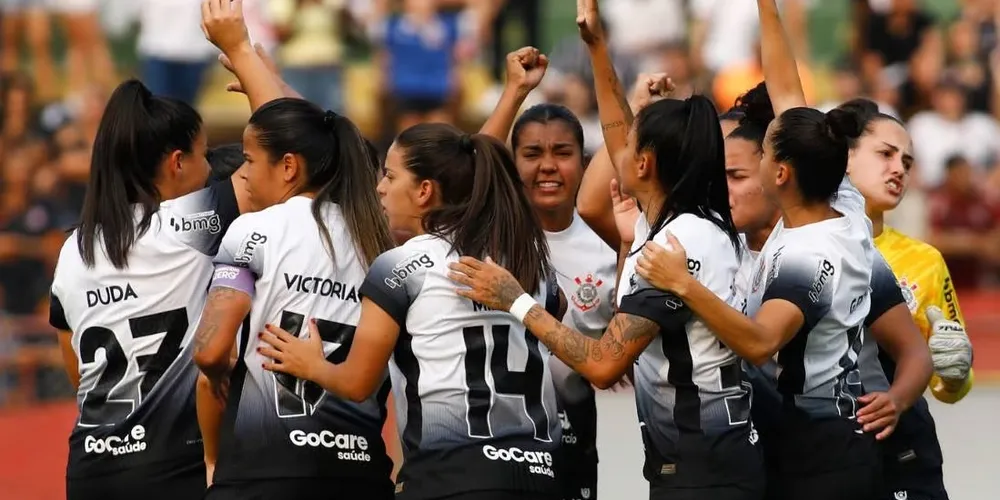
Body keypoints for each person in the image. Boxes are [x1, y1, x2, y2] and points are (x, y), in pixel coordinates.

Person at [444, 3, 764, 499]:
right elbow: (619, 133)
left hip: (708, 466)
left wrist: (516, 299)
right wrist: (597, 48)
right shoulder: (665, 227)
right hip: (694, 461)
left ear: (647, 162)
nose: (614, 153)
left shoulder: (680, 244)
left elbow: (601, 364)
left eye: (628, 146)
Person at [629, 1, 882, 498]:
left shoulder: (805, 258)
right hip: (833, 435)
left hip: (817, 453)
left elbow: (760, 342)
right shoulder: (842, 203)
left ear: (781, 173)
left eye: (763, 152)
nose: (754, 156)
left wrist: (683, 283)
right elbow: (789, 89)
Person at [256, 123, 564, 500]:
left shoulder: (401, 265)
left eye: (390, 175)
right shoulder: (526, 265)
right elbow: (555, 313)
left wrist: (311, 365)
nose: (380, 188)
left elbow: (357, 384)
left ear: (424, 191)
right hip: (540, 474)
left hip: (449, 475)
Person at [192, 98, 397, 500]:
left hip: (262, 469)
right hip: (359, 473)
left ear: (289, 166)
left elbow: (211, 351)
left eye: (249, 160)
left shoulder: (252, 230)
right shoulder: (381, 244)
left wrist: (217, 380)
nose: (243, 173)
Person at [48, 79, 242, 500]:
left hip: (91, 470)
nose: (210, 167)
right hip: (174, 465)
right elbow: (293, 152)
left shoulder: (73, 248)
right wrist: (240, 53)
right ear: (177, 162)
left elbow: (77, 372)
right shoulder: (192, 223)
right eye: (203, 154)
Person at [839, 97, 974, 500]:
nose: (898, 168)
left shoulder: (925, 259)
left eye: (907, 163)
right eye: (885, 153)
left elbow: (951, 385)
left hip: (903, 454)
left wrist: (954, 371)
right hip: (819, 452)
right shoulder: (793, 244)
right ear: (844, 158)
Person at [512, 104, 618, 500]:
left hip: (578, 441)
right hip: (499, 441)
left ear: (585, 163)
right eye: (532, 154)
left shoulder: (609, 245)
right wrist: (514, 91)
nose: (548, 166)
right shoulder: (492, 240)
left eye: (562, 152)